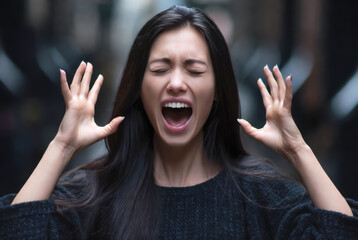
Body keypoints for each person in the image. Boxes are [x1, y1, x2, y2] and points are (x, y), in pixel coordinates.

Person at [0, 5, 357, 240]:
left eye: (194, 69)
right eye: (160, 69)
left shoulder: (261, 196)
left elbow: (338, 231)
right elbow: (18, 230)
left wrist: (298, 150)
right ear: (140, 89)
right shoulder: (95, 192)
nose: (176, 82)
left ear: (217, 91)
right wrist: (62, 146)